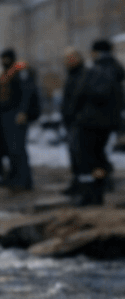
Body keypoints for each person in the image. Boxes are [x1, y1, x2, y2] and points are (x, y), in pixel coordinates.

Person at [73, 38, 124, 205]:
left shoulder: (95, 70)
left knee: (89, 159)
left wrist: (77, 110)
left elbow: (83, 94)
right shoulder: (116, 69)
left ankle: (92, 196)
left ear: (96, 52)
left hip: (90, 121)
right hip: (108, 122)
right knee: (98, 156)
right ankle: (97, 192)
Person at [0, 48, 41, 191]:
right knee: (10, 148)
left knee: (18, 147)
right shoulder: (5, 74)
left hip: (16, 113)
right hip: (5, 114)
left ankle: (24, 180)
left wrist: (22, 111)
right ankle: (14, 177)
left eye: (5, 58)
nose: (3, 61)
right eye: (2, 58)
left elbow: (27, 92)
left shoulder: (20, 72)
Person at [59, 48, 88, 198]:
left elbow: (79, 98)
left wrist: (76, 115)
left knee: (81, 155)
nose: (67, 61)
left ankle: (85, 188)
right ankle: (77, 183)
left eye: (69, 58)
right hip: (72, 121)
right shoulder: (72, 75)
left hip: (79, 121)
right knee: (74, 154)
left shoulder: (83, 74)